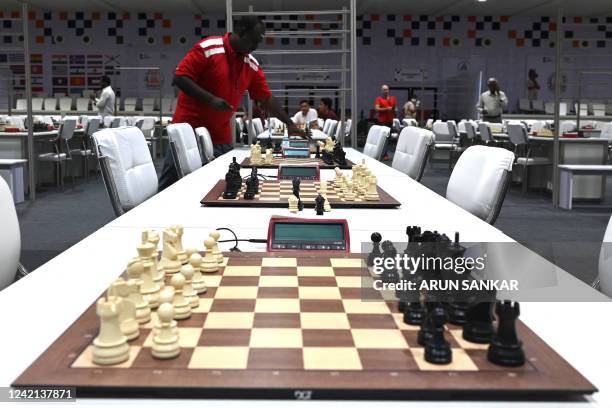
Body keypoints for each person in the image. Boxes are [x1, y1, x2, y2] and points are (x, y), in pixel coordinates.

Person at [158, 16, 306, 191]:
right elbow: (180, 77)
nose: (256, 46)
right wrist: (211, 100)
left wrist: (289, 123)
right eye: (254, 40)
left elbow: (266, 98)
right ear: (241, 31)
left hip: (221, 136)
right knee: (169, 187)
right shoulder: (208, 49)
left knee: (222, 186)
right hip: (188, 133)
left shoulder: (250, 64)